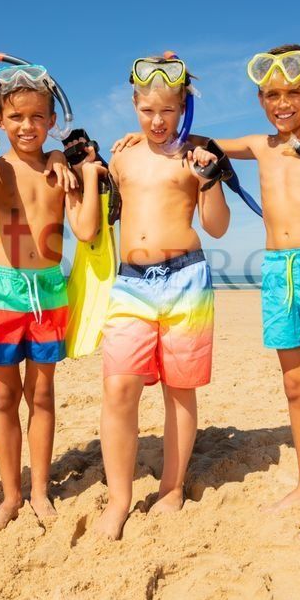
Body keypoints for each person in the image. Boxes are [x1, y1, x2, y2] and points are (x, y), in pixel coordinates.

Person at [112, 41, 300, 541]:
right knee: (295, 387)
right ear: (260, 100)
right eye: (271, 95)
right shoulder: (260, 146)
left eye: (292, 94)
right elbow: (191, 138)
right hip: (278, 272)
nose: (282, 104)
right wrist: (144, 129)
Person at [0, 62, 103, 530]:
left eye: (38, 117)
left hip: (47, 291)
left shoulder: (59, 174)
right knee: (4, 399)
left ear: (51, 121)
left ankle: (40, 490)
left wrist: (84, 171)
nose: (27, 126)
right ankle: (10, 496)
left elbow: (84, 231)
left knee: (42, 395)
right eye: (16, 117)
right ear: (0, 120)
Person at [94, 54, 229, 540]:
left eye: (168, 110)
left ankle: (171, 488)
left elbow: (216, 226)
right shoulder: (122, 156)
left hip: (186, 281)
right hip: (131, 282)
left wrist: (208, 180)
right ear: (133, 104)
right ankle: (119, 498)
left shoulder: (194, 154)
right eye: (148, 109)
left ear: (183, 108)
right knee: (118, 386)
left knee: (180, 388)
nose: (157, 120)